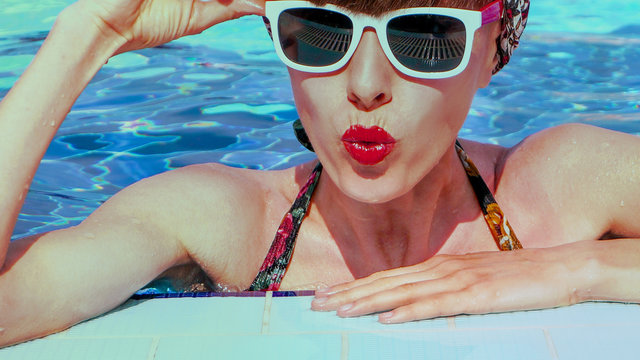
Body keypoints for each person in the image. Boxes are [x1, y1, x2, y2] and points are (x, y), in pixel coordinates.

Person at [0, 0, 639, 348]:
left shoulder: (559, 186)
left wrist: (581, 268)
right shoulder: (226, 223)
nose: (365, 86)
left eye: (422, 37)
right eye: (321, 31)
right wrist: (89, 34)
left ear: (488, 49)